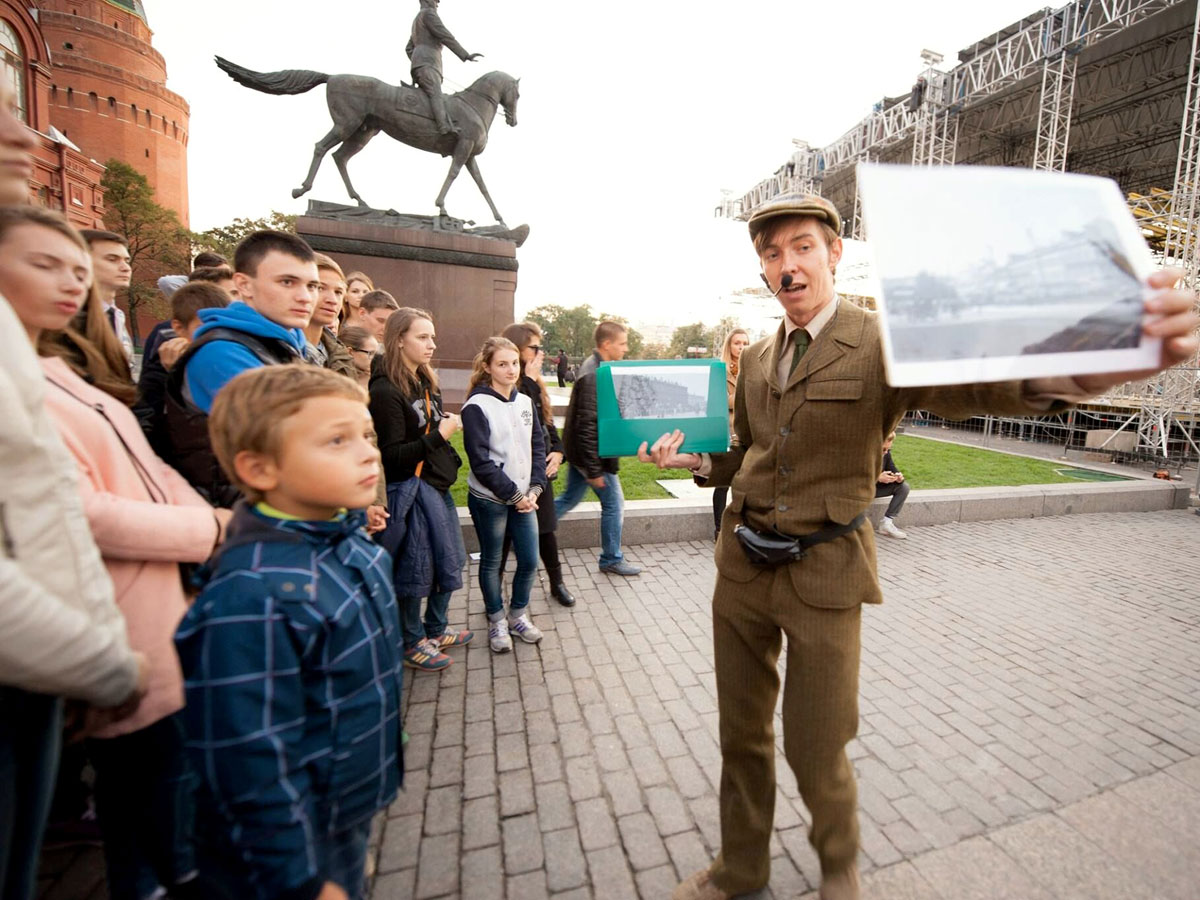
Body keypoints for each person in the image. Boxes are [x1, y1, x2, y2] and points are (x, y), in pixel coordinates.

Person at [640, 194, 1199, 900]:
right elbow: (743, 451)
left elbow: (970, 382)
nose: (789, 265)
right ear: (762, 269)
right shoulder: (755, 358)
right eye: (773, 253)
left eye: (803, 246)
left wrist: (1073, 373)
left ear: (834, 253)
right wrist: (694, 463)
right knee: (740, 738)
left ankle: (839, 867)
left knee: (818, 747)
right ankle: (741, 867)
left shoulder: (879, 340)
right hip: (742, 570)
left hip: (825, 574)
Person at [175, 365, 403, 900]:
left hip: (341, 806)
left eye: (366, 435)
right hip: (293, 834)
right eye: (337, 440)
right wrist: (299, 880)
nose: (369, 453)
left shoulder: (353, 548)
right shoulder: (251, 598)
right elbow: (248, 760)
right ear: (259, 468)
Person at [41, 274, 229, 900]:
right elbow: (85, 512)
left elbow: (157, 474)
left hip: (155, 607)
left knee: (150, 776)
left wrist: (206, 521)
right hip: (117, 613)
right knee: (150, 782)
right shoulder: (28, 393)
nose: (70, 283)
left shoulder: (84, 389)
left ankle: (155, 874)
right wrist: (210, 527)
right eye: (43, 264)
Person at [0, 202, 147, 900]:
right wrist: (104, 660)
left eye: (77, 270)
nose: (71, 283)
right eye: (44, 264)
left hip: (53, 645)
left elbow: (52, 511)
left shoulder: (37, 365)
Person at [163, 230, 314, 505]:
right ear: (243, 285)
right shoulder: (221, 352)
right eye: (287, 282)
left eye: (311, 286)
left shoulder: (287, 345)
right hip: (244, 519)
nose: (305, 297)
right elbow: (297, 443)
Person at [368, 308, 470, 671]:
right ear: (399, 340)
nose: (432, 344)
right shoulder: (384, 390)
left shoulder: (424, 380)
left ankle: (436, 629)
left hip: (435, 487)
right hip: (409, 490)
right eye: (423, 337)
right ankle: (412, 641)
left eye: (432, 336)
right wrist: (438, 436)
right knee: (415, 568)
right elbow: (391, 455)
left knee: (450, 561)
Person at [461, 336, 547, 652]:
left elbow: (538, 446)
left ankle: (518, 616)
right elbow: (480, 461)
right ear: (488, 367)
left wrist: (535, 488)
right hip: (491, 499)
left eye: (514, 363)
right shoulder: (476, 406)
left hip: (525, 498)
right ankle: (497, 621)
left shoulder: (524, 402)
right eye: (502, 364)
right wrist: (513, 494)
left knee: (528, 560)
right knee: (492, 561)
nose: (511, 370)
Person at [499, 322, 576, 606]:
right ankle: (493, 593)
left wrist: (558, 453)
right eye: (534, 347)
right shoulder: (505, 384)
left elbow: (546, 425)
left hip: (538, 475)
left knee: (546, 531)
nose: (540, 353)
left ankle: (557, 583)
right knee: (503, 538)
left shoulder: (535, 383)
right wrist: (529, 380)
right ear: (517, 349)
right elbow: (519, 421)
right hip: (509, 475)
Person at [555, 321, 640, 576]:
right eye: (622, 344)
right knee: (614, 504)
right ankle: (611, 559)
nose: (625, 349)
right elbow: (588, 426)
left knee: (569, 498)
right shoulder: (594, 374)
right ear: (607, 344)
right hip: (593, 458)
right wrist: (594, 470)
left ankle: (524, 533)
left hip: (583, 455)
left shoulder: (597, 368)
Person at [134, 282, 232, 457]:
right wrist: (175, 375)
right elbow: (148, 423)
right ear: (179, 328)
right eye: (204, 328)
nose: (215, 335)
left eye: (223, 328)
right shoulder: (160, 368)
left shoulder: (228, 356)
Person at [406, 0, 483, 136]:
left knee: (430, 96)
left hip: (421, 63)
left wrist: (417, 60)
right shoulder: (429, 14)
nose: (438, 3)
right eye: (436, 0)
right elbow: (445, 36)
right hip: (429, 63)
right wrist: (465, 55)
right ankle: (444, 127)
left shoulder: (417, 19)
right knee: (436, 94)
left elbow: (408, 48)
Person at [712, 328, 749, 540]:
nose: (741, 347)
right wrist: (745, 393)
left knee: (744, 484)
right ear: (730, 345)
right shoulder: (720, 370)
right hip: (726, 433)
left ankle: (740, 527)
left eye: (745, 343)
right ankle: (718, 530)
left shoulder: (753, 368)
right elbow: (722, 400)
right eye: (737, 343)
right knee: (722, 484)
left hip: (747, 433)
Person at [80, 229, 135, 360]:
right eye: (112, 259)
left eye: (126, 260)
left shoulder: (117, 315)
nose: (125, 268)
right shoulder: (71, 318)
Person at [304, 253, 356, 378]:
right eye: (320, 288)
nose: (332, 300)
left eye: (338, 292)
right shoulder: (279, 349)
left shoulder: (341, 353)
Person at [875, 431, 909, 539]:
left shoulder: (886, 454)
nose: (886, 452)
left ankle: (887, 522)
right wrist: (878, 478)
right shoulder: (863, 454)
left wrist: (898, 478)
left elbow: (892, 468)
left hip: (876, 489)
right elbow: (854, 478)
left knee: (903, 487)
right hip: (860, 489)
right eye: (883, 449)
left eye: (888, 449)